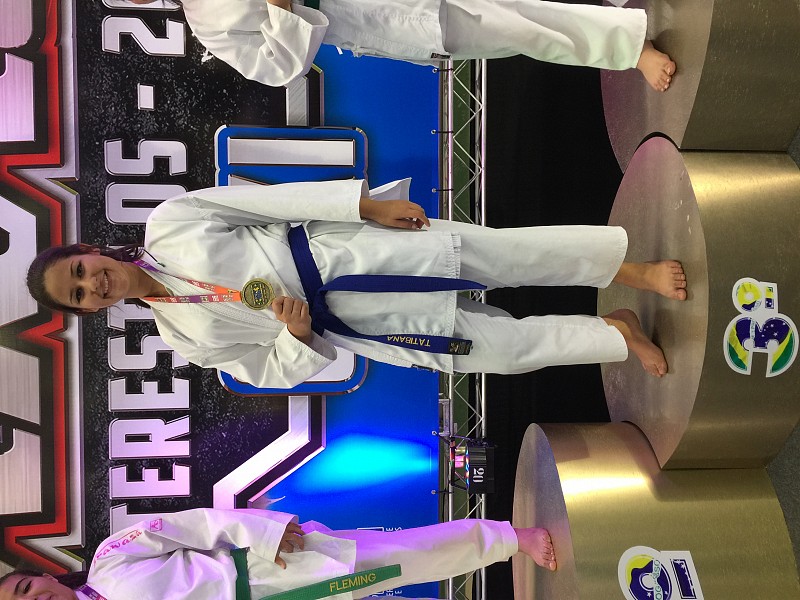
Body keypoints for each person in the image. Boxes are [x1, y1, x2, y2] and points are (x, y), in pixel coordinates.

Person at [27, 178, 687, 390]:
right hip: (356, 323)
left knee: (509, 258)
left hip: (348, 254)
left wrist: (366, 206)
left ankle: (631, 273)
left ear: (90, 250)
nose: (93, 284)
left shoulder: (171, 222)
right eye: (79, 295)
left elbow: (270, 203)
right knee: (501, 352)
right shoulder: (184, 336)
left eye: (80, 270)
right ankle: (613, 332)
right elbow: (264, 371)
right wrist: (296, 337)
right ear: (91, 311)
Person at [0, 508, 556, 599]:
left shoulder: (110, 560)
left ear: (41, 576)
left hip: (273, 570)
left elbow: (197, 525)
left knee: (403, 557)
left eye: (24, 589)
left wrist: (266, 533)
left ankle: (512, 539)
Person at [126, 0, 675, 92]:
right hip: (386, 18)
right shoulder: (209, 23)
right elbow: (277, 69)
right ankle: (629, 47)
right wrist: (280, 9)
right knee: (518, 29)